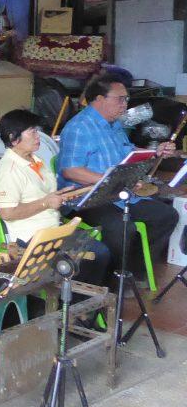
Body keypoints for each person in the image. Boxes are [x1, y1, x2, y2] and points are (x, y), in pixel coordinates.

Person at [57, 74, 178, 283]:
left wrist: (156, 151)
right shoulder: (78, 128)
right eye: (120, 99)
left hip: (117, 193)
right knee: (121, 228)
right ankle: (113, 281)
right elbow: (71, 171)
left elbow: (128, 151)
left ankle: (133, 272)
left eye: (126, 99)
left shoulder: (114, 126)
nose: (125, 104)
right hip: (86, 198)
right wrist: (108, 180)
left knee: (166, 215)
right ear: (99, 99)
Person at [0, 109, 110, 285]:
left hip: (53, 229)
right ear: (13, 138)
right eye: (32, 131)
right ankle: (77, 307)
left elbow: (44, 196)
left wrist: (61, 196)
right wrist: (46, 202)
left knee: (99, 250)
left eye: (37, 130)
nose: (37, 136)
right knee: (97, 254)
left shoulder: (36, 160)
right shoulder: (8, 170)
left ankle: (80, 307)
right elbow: (7, 213)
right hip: (31, 238)